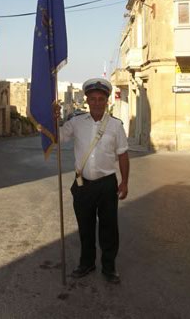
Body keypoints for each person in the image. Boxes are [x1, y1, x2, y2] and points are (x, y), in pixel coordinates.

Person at [57, 78, 130, 284]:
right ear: (87, 101)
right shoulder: (76, 123)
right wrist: (51, 119)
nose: (97, 102)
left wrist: (124, 182)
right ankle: (86, 263)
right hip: (83, 184)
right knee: (85, 227)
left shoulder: (115, 126)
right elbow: (58, 137)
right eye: (93, 99)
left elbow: (123, 155)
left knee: (109, 227)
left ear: (106, 101)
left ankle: (109, 267)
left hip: (107, 184)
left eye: (101, 99)